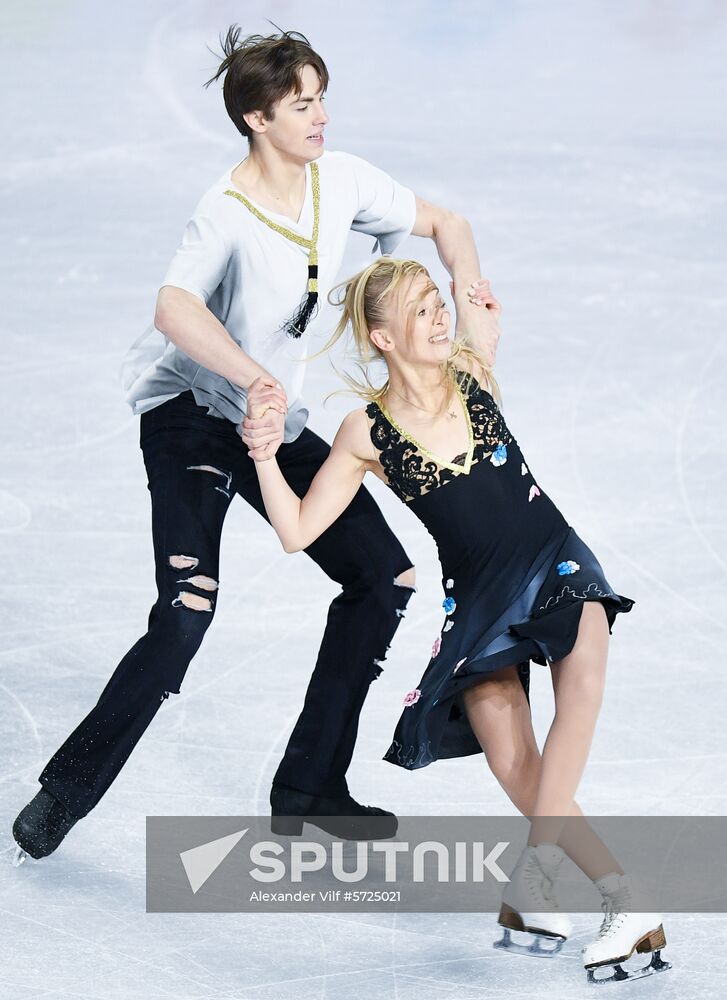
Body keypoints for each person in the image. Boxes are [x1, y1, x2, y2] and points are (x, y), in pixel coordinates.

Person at [12, 26, 501, 860]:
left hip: (278, 422)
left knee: (382, 579)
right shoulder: (225, 212)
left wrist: (467, 282)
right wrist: (253, 378)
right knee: (185, 611)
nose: (319, 116)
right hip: (192, 415)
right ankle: (64, 793)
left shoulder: (339, 180)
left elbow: (444, 221)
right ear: (254, 118)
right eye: (300, 104)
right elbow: (174, 308)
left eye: (320, 97)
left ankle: (308, 786)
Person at [242, 257, 671, 984]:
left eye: (438, 306)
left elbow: (453, 236)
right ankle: (616, 900)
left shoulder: (470, 366)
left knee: (583, 690)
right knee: (514, 763)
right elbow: (296, 531)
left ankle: (548, 881)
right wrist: (262, 456)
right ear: (382, 337)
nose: (440, 318)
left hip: (555, 559)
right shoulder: (362, 432)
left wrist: (467, 283)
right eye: (421, 311)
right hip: (476, 601)